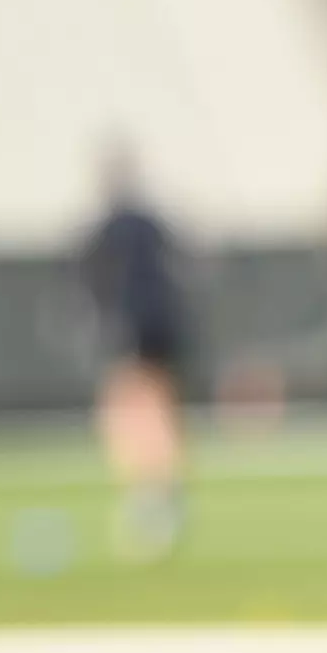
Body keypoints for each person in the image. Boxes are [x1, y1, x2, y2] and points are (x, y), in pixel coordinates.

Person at [81, 150, 188, 560]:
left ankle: (151, 494)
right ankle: (160, 488)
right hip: (162, 324)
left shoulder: (112, 227)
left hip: (136, 325)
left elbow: (95, 277)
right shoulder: (148, 221)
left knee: (129, 407)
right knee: (155, 402)